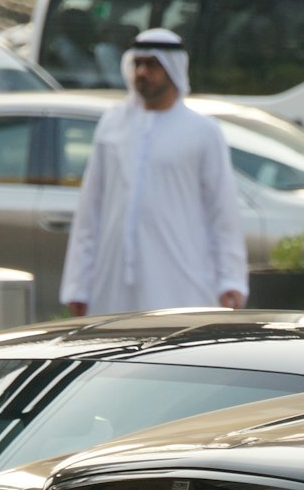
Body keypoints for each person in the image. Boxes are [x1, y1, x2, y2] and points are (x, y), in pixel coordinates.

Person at [60, 27, 248, 316]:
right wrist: (78, 283)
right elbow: (90, 208)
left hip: (181, 278)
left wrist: (231, 279)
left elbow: (222, 211)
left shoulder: (202, 131)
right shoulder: (113, 125)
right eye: (138, 64)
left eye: (152, 65)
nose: (143, 73)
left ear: (173, 69)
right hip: (112, 281)